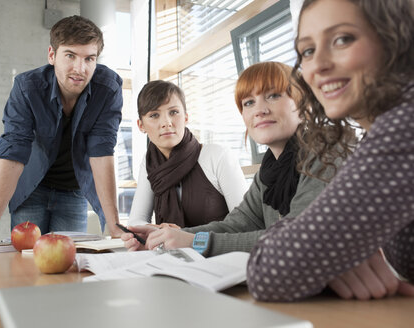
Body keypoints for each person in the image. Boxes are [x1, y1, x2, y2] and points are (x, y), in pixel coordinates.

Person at [247, 0, 414, 302]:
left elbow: (268, 272)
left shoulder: (406, 126)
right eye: (307, 51)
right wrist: (332, 250)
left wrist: (323, 247)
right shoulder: (379, 133)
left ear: (396, 39)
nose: (318, 65)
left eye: (342, 39)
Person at [122, 62, 339, 258]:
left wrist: (194, 241)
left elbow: (300, 239)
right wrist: (165, 238)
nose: (260, 110)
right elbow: (239, 224)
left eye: (273, 95)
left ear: (303, 105)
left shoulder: (324, 155)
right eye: (249, 102)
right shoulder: (270, 170)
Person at [0, 15, 124, 256]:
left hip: (74, 191)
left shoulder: (108, 88)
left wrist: (116, 228)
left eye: (89, 58)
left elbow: (101, 152)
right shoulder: (27, 87)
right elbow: (13, 153)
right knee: (25, 264)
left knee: (68, 267)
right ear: (52, 55)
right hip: (31, 189)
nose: (80, 68)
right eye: (70, 55)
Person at [127, 80, 247, 228]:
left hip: (221, 251)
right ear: (141, 125)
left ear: (186, 118)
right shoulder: (150, 163)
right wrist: (158, 230)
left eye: (173, 112)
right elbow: (136, 222)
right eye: (154, 115)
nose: (166, 122)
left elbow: (246, 225)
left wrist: (182, 236)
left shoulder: (217, 156)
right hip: (171, 250)